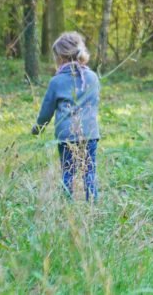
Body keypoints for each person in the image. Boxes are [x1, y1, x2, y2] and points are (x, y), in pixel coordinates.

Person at [32, 32, 101, 201]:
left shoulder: (56, 81)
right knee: (89, 171)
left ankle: (67, 204)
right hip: (90, 133)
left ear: (61, 57)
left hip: (66, 136)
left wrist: (38, 127)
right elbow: (94, 103)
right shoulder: (92, 77)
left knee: (68, 171)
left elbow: (46, 111)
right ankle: (93, 204)